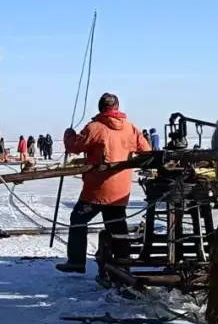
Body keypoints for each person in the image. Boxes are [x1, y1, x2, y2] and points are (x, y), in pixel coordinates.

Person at [56, 93, 151, 274]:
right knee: (116, 224)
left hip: (97, 189)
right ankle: (122, 260)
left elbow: (75, 146)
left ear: (100, 108)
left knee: (78, 219)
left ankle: (76, 261)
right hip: (120, 189)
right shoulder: (130, 128)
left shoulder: (95, 127)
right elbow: (146, 150)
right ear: (117, 107)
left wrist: (68, 135)